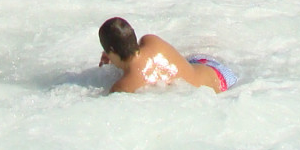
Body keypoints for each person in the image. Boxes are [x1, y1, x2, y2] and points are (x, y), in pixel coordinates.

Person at [96, 18, 236, 94]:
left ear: (112, 51)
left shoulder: (124, 86)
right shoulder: (151, 40)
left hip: (207, 97)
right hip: (219, 74)